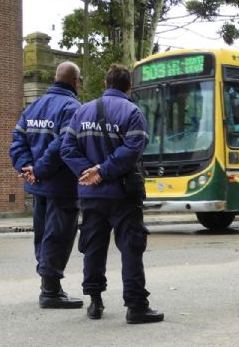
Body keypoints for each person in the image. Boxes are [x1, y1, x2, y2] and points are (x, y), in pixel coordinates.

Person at [60, 64, 163, 324]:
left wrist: (89, 173)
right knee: (131, 248)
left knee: (93, 248)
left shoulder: (81, 111)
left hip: (91, 194)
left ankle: (94, 302)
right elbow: (132, 150)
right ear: (129, 86)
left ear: (106, 84)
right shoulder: (133, 112)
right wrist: (102, 171)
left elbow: (67, 148)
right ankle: (136, 306)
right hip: (123, 195)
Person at [9, 61, 84, 309]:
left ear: (55, 78)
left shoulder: (34, 107)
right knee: (59, 235)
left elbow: (17, 139)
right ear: (75, 81)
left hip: (37, 185)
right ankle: (50, 291)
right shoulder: (73, 107)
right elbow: (64, 145)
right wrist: (39, 169)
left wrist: (26, 168)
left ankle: (48, 284)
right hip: (61, 186)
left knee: (42, 234)